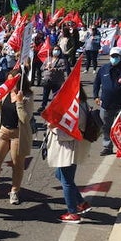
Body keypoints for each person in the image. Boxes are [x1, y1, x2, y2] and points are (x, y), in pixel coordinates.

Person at [0, 74, 34, 205]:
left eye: (12, 80)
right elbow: (1, 110)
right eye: (8, 80)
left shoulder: (27, 96)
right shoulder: (6, 93)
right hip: (3, 131)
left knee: (17, 164)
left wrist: (19, 102)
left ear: (19, 81)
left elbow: (25, 119)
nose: (9, 82)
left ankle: (14, 191)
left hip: (18, 134)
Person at [44, 90, 93, 223]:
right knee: (60, 175)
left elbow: (70, 132)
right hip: (72, 147)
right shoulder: (82, 103)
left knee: (67, 180)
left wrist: (52, 127)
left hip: (69, 148)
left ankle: (72, 213)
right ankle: (81, 202)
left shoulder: (75, 107)